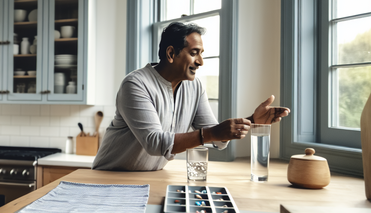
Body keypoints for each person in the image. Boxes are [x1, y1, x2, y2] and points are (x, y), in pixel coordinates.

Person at [92, 22, 290, 171]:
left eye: (201, 53)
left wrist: (252, 120)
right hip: (108, 177)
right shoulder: (135, 84)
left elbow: (217, 137)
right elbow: (154, 143)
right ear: (171, 53)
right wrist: (211, 134)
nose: (201, 61)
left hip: (151, 177)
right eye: (194, 53)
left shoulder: (195, 87)